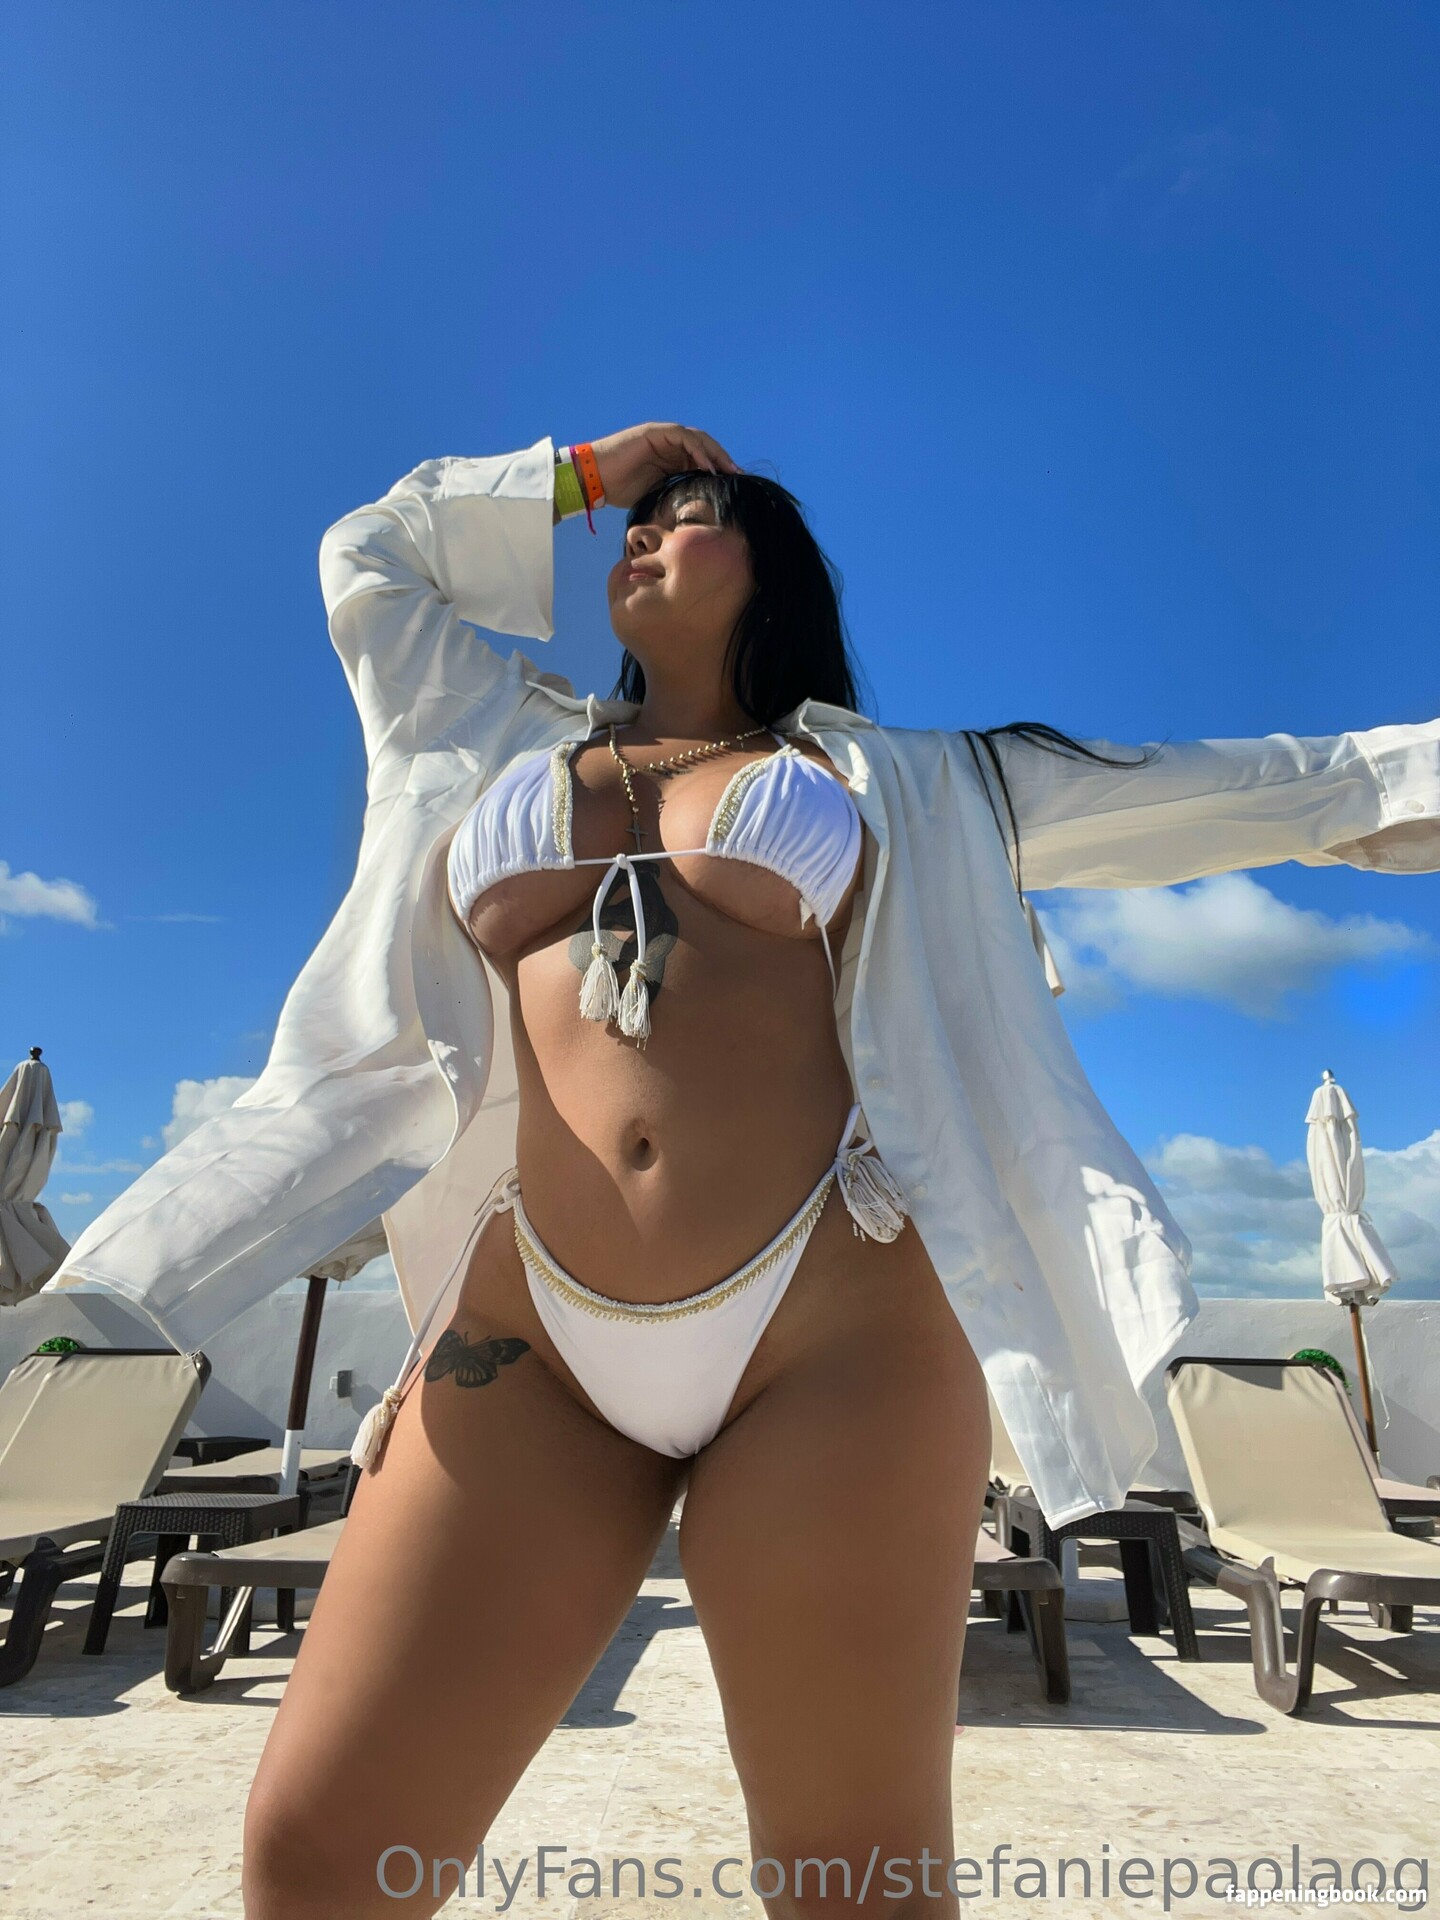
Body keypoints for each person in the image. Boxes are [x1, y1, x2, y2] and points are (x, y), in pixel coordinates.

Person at [43, 423, 1436, 1919]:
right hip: (531, 1332)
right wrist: (584, 469)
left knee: (851, 1883)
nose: (642, 535)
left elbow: (1257, 784)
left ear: (771, 571)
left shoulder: (909, 781)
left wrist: (1391, 791)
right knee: (316, 1856)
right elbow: (366, 559)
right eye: (634, 522)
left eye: (688, 512)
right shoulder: (478, 730)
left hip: (833, 1338)